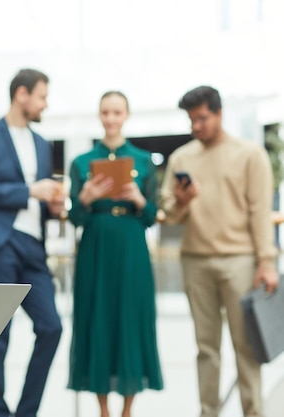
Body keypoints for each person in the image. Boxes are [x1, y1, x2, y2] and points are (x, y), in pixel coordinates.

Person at [160, 85, 279, 417]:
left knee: (247, 348)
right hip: (195, 260)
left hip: (240, 261)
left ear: (219, 113)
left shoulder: (250, 154)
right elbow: (168, 213)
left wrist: (266, 262)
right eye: (191, 120)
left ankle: (253, 412)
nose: (195, 126)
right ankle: (208, 412)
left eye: (201, 118)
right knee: (206, 348)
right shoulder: (182, 157)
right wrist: (182, 203)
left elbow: (260, 212)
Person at [0, 68, 64, 417]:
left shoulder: (41, 143)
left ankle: (26, 413)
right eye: (41, 96)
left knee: (52, 326)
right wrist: (29, 191)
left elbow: (41, 197)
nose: (45, 104)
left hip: (34, 246)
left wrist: (52, 204)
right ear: (22, 94)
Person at [67, 91, 164, 417]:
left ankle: (127, 409)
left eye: (116, 112)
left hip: (132, 247)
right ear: (99, 115)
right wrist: (85, 198)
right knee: (97, 316)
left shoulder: (143, 161)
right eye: (105, 112)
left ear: (126, 115)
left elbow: (151, 216)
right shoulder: (81, 163)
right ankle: (104, 409)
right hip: (95, 246)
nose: (111, 119)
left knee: (130, 316)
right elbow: (76, 220)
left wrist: (138, 198)